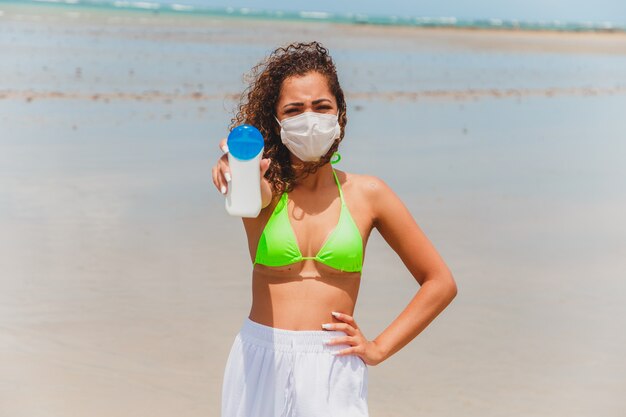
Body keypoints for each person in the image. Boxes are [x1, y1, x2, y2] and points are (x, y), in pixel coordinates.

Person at [211, 41, 457, 417]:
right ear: (276, 124)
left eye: (321, 106)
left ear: (340, 113)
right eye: (294, 109)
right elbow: (247, 188)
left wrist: (378, 348)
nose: (309, 117)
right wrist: (231, 164)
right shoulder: (265, 189)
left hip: (332, 364)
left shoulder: (369, 194)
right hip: (258, 357)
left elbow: (439, 282)